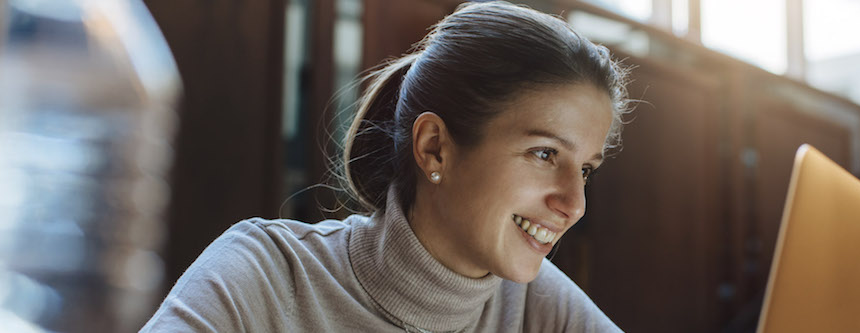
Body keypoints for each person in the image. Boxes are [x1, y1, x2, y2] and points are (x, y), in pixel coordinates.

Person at [141, 1, 631, 332]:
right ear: (435, 147)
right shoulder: (262, 278)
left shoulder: (537, 308)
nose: (574, 204)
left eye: (585, 169)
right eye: (544, 154)